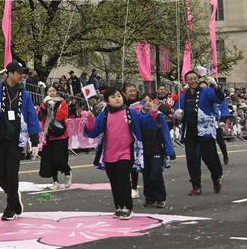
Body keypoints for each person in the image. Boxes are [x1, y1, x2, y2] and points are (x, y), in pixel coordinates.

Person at [0, 60, 41, 221]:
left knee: (12, 174)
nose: (22, 75)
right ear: (9, 74)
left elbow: (31, 116)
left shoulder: (25, 94)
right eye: (18, 72)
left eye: (23, 73)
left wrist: (35, 141)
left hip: (16, 140)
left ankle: (11, 207)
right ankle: (14, 196)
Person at [82, 87, 143, 219]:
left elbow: (145, 123)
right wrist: (91, 120)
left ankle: (128, 207)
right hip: (109, 154)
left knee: (123, 179)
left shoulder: (131, 112)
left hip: (126, 152)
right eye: (113, 97)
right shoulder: (104, 115)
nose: (117, 98)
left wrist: (153, 114)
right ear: (107, 101)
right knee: (114, 182)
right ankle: (119, 206)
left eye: (119, 96)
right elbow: (93, 132)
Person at [174, 70, 225, 195]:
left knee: (209, 157)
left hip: (205, 130)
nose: (193, 81)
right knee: (192, 159)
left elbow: (219, 98)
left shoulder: (206, 92)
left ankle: (216, 176)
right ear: (186, 81)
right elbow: (176, 109)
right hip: (190, 131)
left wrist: (215, 86)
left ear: (198, 79)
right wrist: (177, 113)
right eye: (190, 79)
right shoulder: (184, 96)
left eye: (195, 78)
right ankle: (196, 185)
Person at [138, 95, 175, 208]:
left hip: (156, 148)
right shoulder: (139, 116)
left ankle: (160, 198)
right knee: (146, 174)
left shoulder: (159, 116)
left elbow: (165, 132)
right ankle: (149, 198)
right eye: (145, 101)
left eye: (150, 100)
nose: (148, 103)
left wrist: (169, 149)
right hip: (143, 149)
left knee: (155, 173)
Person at [38, 86, 71, 190]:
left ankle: (67, 173)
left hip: (60, 134)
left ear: (56, 92)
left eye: (53, 91)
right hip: (48, 135)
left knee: (59, 159)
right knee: (50, 160)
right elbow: (39, 116)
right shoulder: (44, 104)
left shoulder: (62, 102)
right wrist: (44, 106)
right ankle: (55, 181)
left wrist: (53, 106)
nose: (51, 92)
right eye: (49, 91)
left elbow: (62, 116)